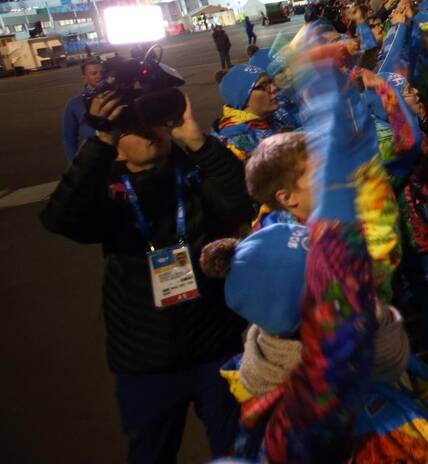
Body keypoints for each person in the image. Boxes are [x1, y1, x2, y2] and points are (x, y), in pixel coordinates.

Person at [40, 90, 251, 464]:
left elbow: (239, 202)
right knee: (150, 453)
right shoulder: (108, 193)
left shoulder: (192, 173)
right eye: (135, 129)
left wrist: (197, 141)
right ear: (119, 148)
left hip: (215, 345)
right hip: (146, 358)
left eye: (155, 123)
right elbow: (61, 218)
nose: (154, 132)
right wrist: (99, 142)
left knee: (238, 449)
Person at [212, 64, 283, 160]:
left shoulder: (267, 118)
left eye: (270, 82)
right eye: (263, 86)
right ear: (243, 98)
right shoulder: (236, 140)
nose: (274, 88)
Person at [62, 57, 104, 160]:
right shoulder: (74, 104)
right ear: (85, 78)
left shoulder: (116, 96)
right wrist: (75, 164)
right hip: (94, 159)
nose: (100, 76)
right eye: (94, 74)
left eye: (102, 72)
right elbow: (69, 139)